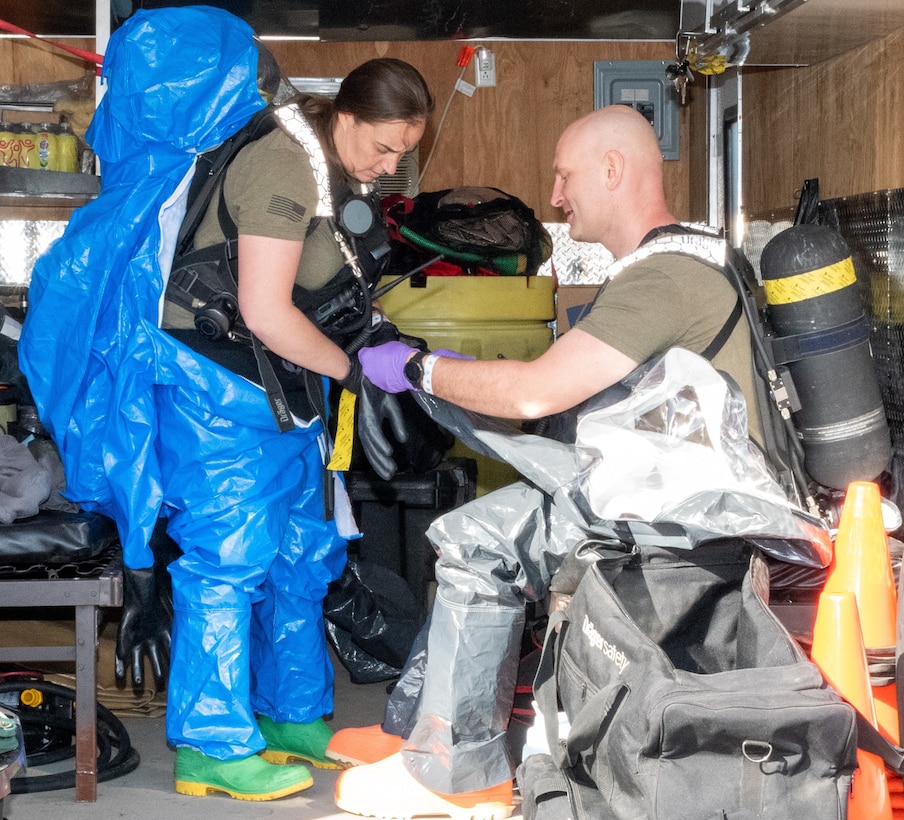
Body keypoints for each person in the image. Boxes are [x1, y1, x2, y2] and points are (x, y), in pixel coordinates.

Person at [19, 7, 434, 803]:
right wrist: (354, 374)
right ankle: (211, 743)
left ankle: (291, 714)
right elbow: (268, 311)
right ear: (343, 116)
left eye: (403, 156)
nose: (388, 167)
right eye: (381, 146)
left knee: (303, 556)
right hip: (224, 394)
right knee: (229, 560)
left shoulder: (330, 169)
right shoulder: (280, 164)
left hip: (283, 395)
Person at [326, 104, 762, 819]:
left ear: (612, 170)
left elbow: (536, 390)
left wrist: (420, 368)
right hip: (670, 495)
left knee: (478, 537)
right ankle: (415, 732)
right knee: (491, 515)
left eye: (565, 176)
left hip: (684, 521)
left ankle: (456, 776)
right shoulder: (670, 264)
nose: (556, 197)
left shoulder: (666, 277)